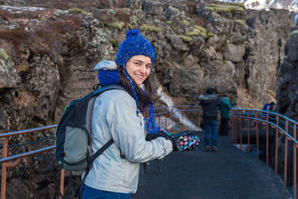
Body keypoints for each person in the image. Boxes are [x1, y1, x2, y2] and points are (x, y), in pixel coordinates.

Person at [81, 29, 176, 198]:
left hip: (101, 183)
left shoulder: (109, 91)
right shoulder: (120, 99)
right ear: (123, 63)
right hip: (109, 189)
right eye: (137, 63)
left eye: (148, 65)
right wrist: (170, 144)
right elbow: (136, 151)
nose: (144, 71)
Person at [199, 87, 221, 152]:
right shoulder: (215, 98)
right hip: (214, 117)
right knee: (214, 132)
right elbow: (220, 104)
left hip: (206, 117)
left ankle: (207, 146)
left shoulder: (203, 99)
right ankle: (214, 146)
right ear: (212, 92)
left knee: (207, 132)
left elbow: (201, 105)